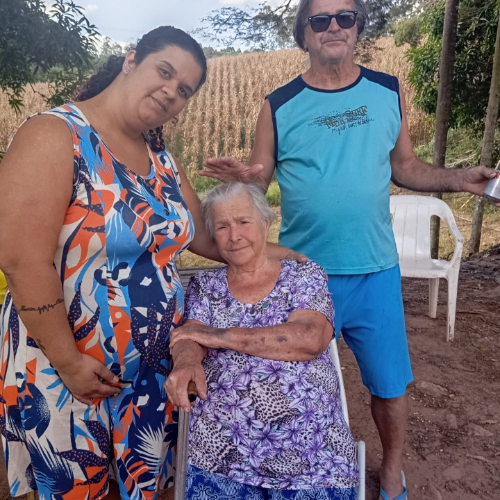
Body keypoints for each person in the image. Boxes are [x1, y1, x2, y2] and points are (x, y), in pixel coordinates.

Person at [199, 2, 500, 499]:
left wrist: (458, 178)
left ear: (358, 26)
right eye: (320, 20)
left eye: (345, 17)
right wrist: (247, 179)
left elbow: (406, 167)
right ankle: (298, 470)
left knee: (389, 384)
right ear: (304, 34)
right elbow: (258, 182)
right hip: (303, 279)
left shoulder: (387, 91)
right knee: (294, 381)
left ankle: (392, 469)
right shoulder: (279, 104)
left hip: (375, 270)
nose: (334, 27)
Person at [0, 27, 302, 500]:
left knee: (141, 485)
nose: (171, 92)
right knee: (80, 487)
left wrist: (295, 257)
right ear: (130, 60)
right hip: (68, 365)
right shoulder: (56, 134)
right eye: (164, 71)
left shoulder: (162, 161)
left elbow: (209, 239)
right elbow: (22, 261)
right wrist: (69, 362)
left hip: (150, 368)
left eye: (184, 90)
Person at [165, 182, 359, 500]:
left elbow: (310, 338)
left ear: (266, 223)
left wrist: (223, 336)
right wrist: (186, 360)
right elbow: (191, 335)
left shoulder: (303, 275)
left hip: (313, 457)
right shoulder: (205, 285)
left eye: (244, 222)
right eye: (223, 227)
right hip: (221, 457)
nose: (234, 236)